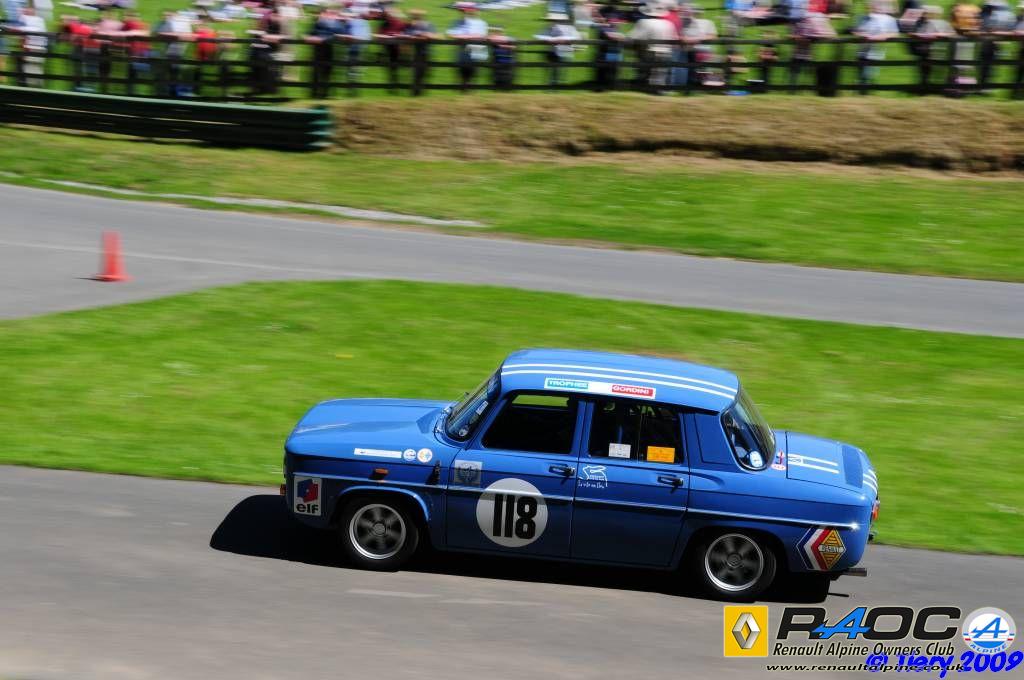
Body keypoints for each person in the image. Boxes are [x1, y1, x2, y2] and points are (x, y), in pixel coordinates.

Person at [630, 0, 676, 92]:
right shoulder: (669, 24)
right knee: (660, 76)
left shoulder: (644, 22)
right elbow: (673, 40)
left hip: (649, 52)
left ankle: (644, 91)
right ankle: (658, 93)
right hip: (666, 53)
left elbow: (634, 37)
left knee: (645, 74)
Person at [853, 1, 899, 93]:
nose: (869, 8)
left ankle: (865, 93)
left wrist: (878, 37)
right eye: (868, 6)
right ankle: (863, 94)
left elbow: (894, 33)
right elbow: (856, 31)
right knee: (862, 76)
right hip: (861, 51)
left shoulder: (888, 19)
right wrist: (860, 34)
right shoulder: (862, 17)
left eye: (872, 6)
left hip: (876, 52)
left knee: (868, 76)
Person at [446, 1, 488, 91]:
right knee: (462, 74)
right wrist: (467, 36)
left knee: (473, 75)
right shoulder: (457, 22)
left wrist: (465, 37)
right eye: (463, 11)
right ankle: (463, 92)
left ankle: (470, 93)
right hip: (462, 52)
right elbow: (450, 34)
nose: (466, 12)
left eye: (468, 11)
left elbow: (482, 36)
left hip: (476, 51)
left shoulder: (481, 23)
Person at [308, 6, 344, 98]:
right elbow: (311, 34)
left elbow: (337, 35)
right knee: (316, 73)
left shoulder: (335, 24)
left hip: (328, 50)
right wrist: (310, 37)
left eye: (325, 14)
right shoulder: (317, 23)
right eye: (322, 14)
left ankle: (324, 94)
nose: (323, 15)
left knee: (326, 73)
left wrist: (323, 39)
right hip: (317, 51)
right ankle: (314, 94)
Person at [536, 11, 580, 86]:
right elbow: (540, 35)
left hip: (563, 52)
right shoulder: (550, 27)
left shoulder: (568, 28)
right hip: (553, 52)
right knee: (553, 71)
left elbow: (576, 37)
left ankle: (555, 86)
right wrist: (548, 40)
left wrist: (564, 40)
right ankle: (552, 86)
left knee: (558, 72)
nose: (553, 21)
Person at [404, 8, 436, 94]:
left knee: (424, 72)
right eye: (414, 16)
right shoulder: (410, 26)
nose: (415, 17)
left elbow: (434, 36)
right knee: (416, 73)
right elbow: (407, 36)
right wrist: (419, 36)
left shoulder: (428, 25)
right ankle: (416, 92)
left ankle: (420, 91)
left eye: (417, 16)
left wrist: (423, 35)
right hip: (415, 52)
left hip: (426, 51)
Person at [14, 6, 47, 87]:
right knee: (33, 66)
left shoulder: (25, 18)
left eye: (26, 11)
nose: (24, 12)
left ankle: (23, 84)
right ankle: (33, 84)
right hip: (40, 49)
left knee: (25, 64)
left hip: (31, 49)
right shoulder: (40, 20)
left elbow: (20, 31)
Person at [593, 14, 624, 90]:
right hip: (606, 55)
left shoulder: (614, 29)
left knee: (613, 73)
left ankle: (611, 87)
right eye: (614, 22)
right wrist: (619, 37)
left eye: (617, 22)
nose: (617, 23)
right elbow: (611, 36)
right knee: (604, 73)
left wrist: (619, 36)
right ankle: (602, 88)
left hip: (614, 55)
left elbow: (621, 37)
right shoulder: (603, 28)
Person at [488, 24, 516, 89]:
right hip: (499, 62)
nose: (495, 33)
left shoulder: (508, 38)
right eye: (493, 32)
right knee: (499, 77)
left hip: (507, 62)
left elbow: (514, 46)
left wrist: (501, 45)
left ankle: (505, 87)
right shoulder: (491, 38)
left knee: (506, 77)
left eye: (497, 32)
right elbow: (488, 38)